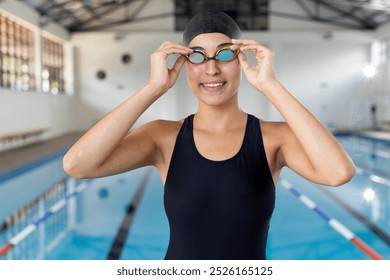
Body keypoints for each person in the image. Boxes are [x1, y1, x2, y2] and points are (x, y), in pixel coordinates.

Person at [63, 10, 355, 260]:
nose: (212, 69)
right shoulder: (162, 137)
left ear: (242, 60)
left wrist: (270, 85)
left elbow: (338, 173)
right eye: (198, 57)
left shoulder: (273, 138)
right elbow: (77, 164)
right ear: (184, 63)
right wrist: (153, 88)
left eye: (225, 54)